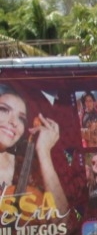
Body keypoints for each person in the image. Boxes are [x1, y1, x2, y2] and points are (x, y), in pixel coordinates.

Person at [0, 83, 70, 219]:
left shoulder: (31, 169)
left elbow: (64, 222)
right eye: (4, 109)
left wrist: (44, 152)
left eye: (21, 118)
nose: (14, 122)